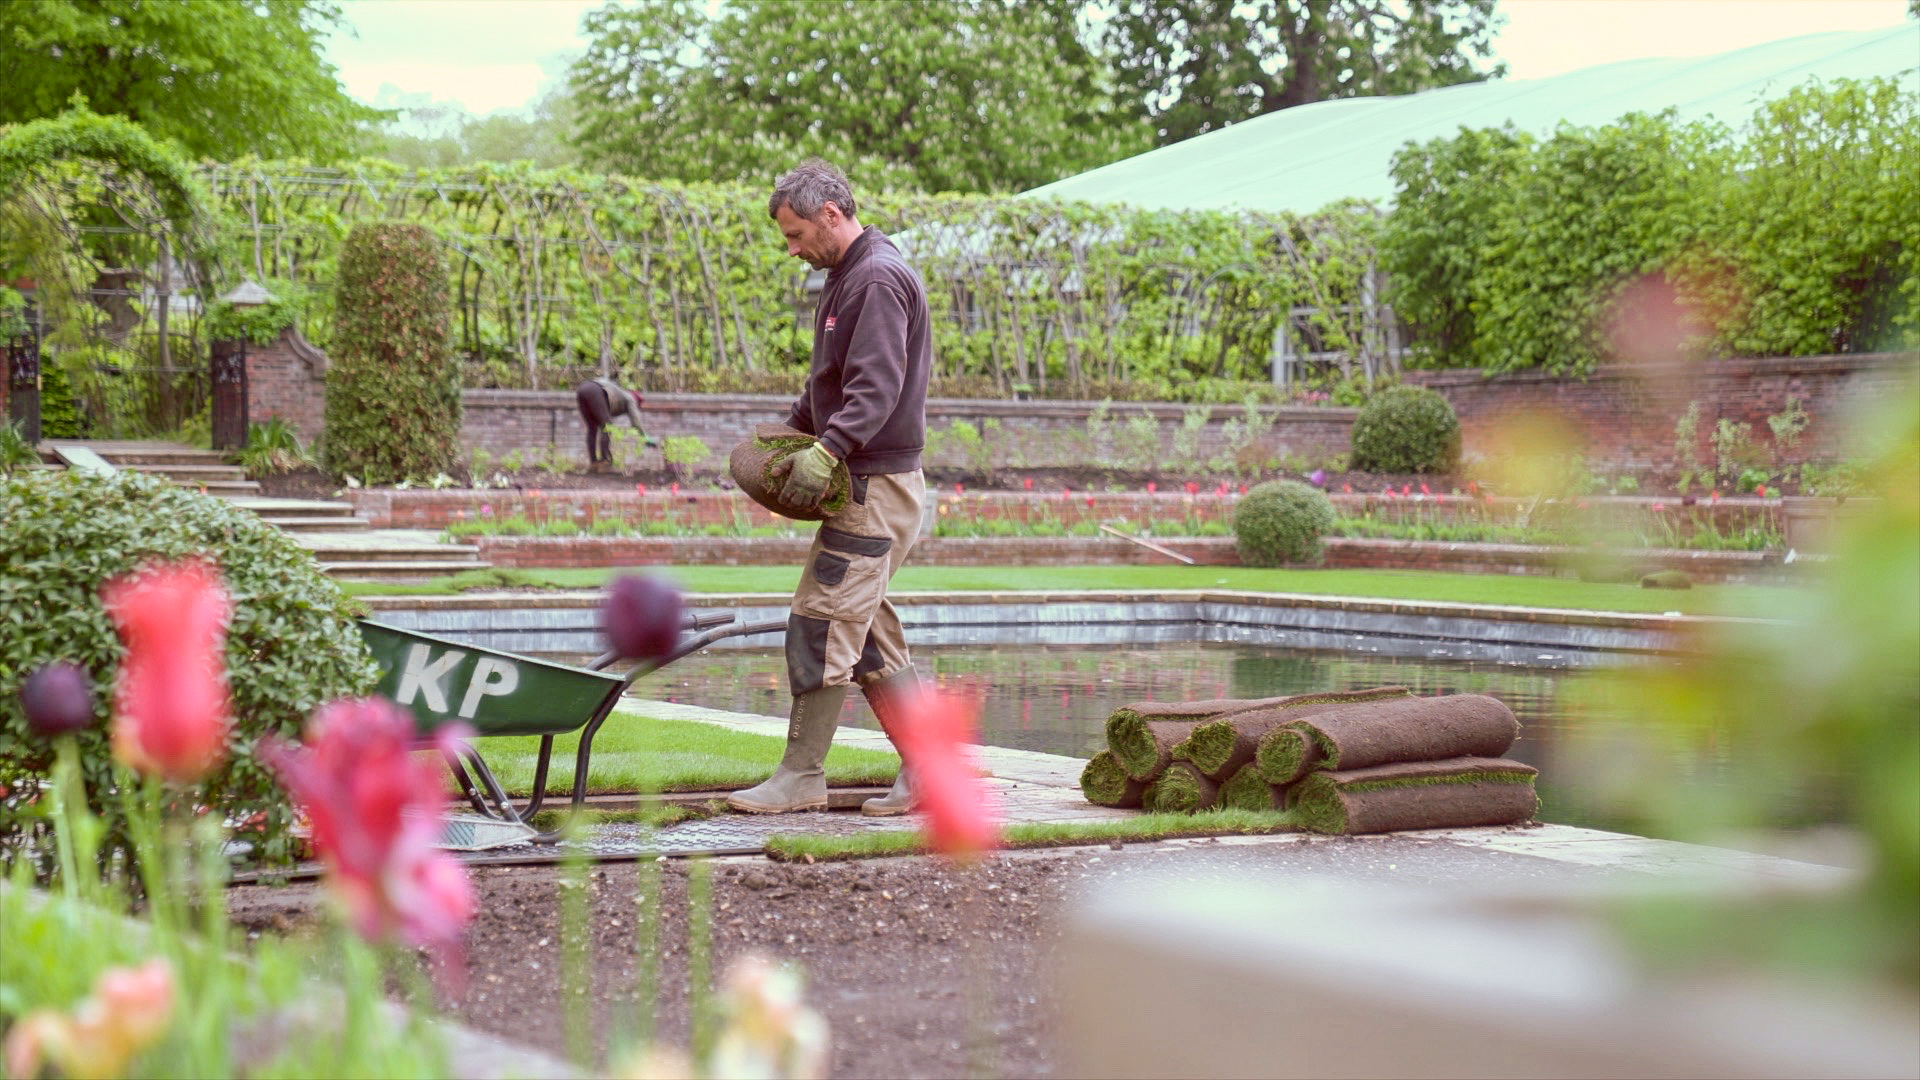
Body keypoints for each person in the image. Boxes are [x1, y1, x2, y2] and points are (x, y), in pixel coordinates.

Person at [728, 158, 932, 817]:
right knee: (866, 633)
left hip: (871, 487)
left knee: (820, 623)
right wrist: (792, 430)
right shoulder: (850, 273)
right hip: (869, 483)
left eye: (795, 236)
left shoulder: (875, 277)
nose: (792, 251)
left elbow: (875, 389)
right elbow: (834, 379)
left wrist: (829, 451)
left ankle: (801, 776)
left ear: (830, 215)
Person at [573, 375, 653, 471]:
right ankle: (604, 461)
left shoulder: (619, 394)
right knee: (607, 427)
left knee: (592, 429)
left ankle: (594, 462)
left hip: (582, 389)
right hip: (595, 390)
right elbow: (636, 420)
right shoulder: (630, 399)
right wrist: (643, 436)